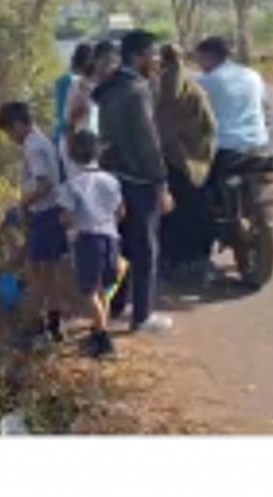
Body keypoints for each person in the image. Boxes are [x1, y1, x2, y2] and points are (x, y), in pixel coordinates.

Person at [91, 30, 174, 334]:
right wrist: (161, 183)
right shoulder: (137, 90)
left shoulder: (110, 88)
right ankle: (142, 316)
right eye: (153, 55)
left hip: (114, 177)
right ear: (138, 57)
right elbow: (147, 142)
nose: (157, 61)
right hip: (140, 180)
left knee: (121, 246)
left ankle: (116, 305)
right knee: (146, 250)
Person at [193, 36, 273, 262]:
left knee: (198, 194)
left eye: (199, 58)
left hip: (225, 150)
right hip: (260, 147)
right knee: (272, 183)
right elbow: (264, 106)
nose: (198, 63)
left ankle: (199, 255)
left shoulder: (205, 82)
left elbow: (193, 114)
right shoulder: (252, 75)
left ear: (208, 56)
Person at [0, 101, 69, 346]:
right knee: (50, 272)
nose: (11, 138)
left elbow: (43, 183)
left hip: (45, 214)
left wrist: (22, 204)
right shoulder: (42, 141)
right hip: (52, 213)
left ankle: (36, 328)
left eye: (9, 132)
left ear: (18, 125)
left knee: (37, 272)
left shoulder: (33, 146)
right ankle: (54, 325)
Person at [154, 44, 218, 281]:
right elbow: (209, 128)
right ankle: (197, 264)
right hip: (191, 164)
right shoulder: (194, 90)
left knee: (167, 217)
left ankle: (169, 264)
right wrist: (201, 156)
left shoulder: (151, 89)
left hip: (161, 163)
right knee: (197, 214)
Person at [58, 129, 123, 359]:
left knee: (88, 291)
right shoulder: (111, 181)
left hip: (88, 239)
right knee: (103, 289)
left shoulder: (72, 185)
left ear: (72, 155)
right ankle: (97, 332)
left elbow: (68, 217)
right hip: (111, 237)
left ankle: (104, 339)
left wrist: (64, 222)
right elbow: (121, 211)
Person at [58, 43, 100, 179]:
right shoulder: (77, 85)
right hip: (79, 146)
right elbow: (71, 119)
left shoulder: (76, 84)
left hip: (83, 144)